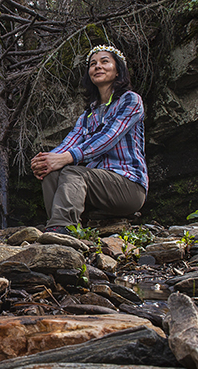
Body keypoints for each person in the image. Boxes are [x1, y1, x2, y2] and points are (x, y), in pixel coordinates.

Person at [30, 44, 148, 233]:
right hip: (96, 187)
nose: (98, 66)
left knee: (74, 171)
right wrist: (46, 160)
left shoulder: (130, 100)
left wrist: (68, 158)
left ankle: (63, 229)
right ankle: (56, 225)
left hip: (128, 187)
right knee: (51, 173)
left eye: (104, 61)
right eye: (93, 64)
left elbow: (109, 136)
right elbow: (68, 143)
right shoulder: (87, 116)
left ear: (118, 71)